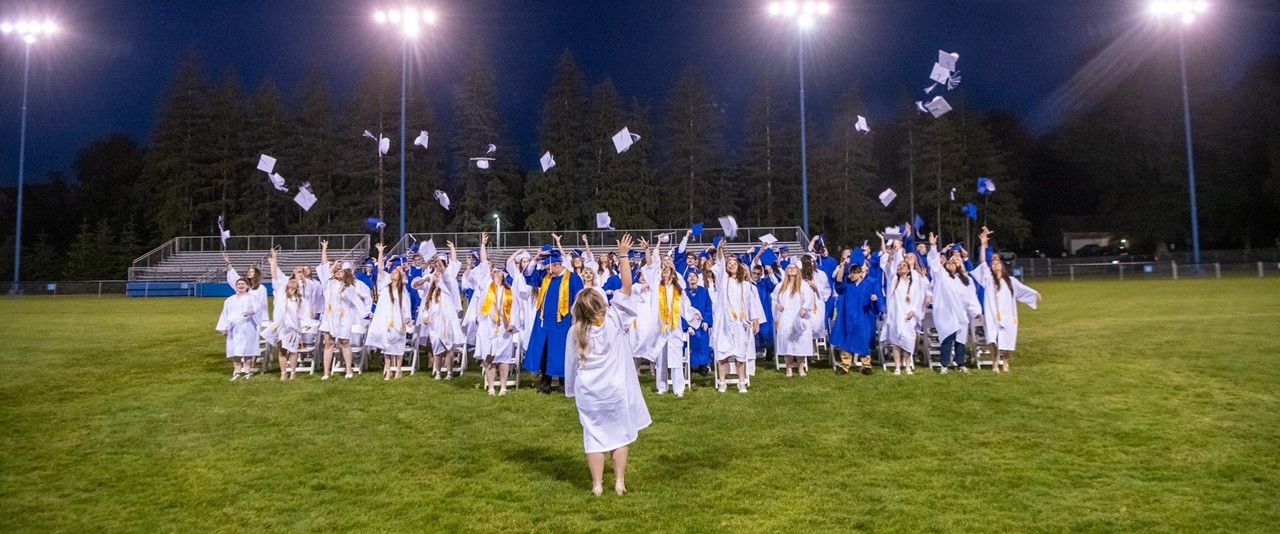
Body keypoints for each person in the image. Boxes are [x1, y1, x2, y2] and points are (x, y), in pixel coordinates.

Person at [564, 234, 651, 497]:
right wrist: (623, 255)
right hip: (614, 389)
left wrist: (571, 391)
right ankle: (619, 482)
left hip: (589, 392)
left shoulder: (575, 332)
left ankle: (597, 485)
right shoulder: (613, 320)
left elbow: (571, 367)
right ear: (602, 305)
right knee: (620, 436)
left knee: (594, 437)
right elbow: (626, 287)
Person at [972, 226, 1042, 373]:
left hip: (1008, 315)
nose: (995, 264)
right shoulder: (988, 279)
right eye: (994, 263)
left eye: (998, 263)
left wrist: (1035, 293)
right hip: (993, 314)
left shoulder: (1010, 281)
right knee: (992, 338)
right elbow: (983, 261)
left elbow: (1023, 289)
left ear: (1002, 266)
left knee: (1007, 339)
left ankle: (1005, 362)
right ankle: (995, 363)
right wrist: (983, 244)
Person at [523, 234, 584, 394]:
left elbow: (579, 300)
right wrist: (536, 259)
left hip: (564, 323)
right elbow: (529, 277)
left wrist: (576, 321)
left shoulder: (573, 278)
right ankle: (545, 385)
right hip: (544, 323)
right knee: (544, 353)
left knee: (564, 354)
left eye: (548, 266)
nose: (546, 269)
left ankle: (566, 384)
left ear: (557, 264)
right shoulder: (546, 277)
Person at [710, 241, 765, 393]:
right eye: (729, 263)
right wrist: (720, 248)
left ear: (739, 266)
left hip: (740, 322)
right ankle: (722, 382)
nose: (731, 265)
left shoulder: (746, 285)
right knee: (723, 353)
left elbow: (751, 304)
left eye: (734, 263)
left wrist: (755, 320)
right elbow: (719, 262)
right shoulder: (722, 280)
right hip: (724, 323)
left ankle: (742, 382)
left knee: (740, 354)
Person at [473, 233, 524, 396]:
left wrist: (512, 324)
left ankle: (502, 386)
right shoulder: (486, 285)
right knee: (488, 358)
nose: (496, 274)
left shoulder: (509, 292)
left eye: (499, 273)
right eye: (493, 272)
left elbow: (516, 310)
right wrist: (483, 244)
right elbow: (483, 263)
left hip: (504, 329)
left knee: (503, 358)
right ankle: (490, 387)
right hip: (488, 327)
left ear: (503, 276)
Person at [926, 233, 983, 374]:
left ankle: (960, 363)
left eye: (954, 263)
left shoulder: (964, 280)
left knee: (960, 341)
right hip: (946, 314)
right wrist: (933, 246)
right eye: (949, 263)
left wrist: (976, 312)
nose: (951, 264)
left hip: (961, 314)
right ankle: (944, 364)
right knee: (947, 339)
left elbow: (970, 298)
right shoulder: (941, 276)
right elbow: (933, 263)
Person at [417, 241, 465, 380]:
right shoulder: (432, 287)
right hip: (435, 320)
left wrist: (440, 257)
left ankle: (449, 372)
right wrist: (426, 315)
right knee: (437, 345)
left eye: (440, 266)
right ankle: (437, 371)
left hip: (447, 318)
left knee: (448, 345)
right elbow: (427, 303)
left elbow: (446, 273)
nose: (437, 271)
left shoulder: (448, 282)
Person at [830, 246, 880, 375]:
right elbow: (839, 283)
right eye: (850, 272)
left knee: (863, 339)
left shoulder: (869, 284)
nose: (851, 274)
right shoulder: (848, 284)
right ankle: (845, 365)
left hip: (862, 316)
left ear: (860, 272)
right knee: (846, 338)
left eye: (854, 272)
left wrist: (874, 300)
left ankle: (866, 365)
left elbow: (875, 305)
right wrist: (842, 266)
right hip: (848, 315)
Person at [265, 250, 312, 380]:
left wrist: (306, 324)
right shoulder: (281, 296)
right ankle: (283, 373)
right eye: (290, 281)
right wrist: (274, 260)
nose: (292, 282)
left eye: (294, 281)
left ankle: (292, 372)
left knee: (293, 350)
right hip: (281, 327)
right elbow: (274, 276)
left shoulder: (300, 299)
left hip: (293, 328)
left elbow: (304, 314)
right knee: (282, 350)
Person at [368, 243, 413, 380]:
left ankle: (398, 370)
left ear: (399, 277)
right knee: (387, 345)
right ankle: (388, 370)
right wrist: (380, 253)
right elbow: (380, 268)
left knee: (398, 344)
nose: (393, 273)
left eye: (396, 272)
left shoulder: (402, 291)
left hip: (398, 319)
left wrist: (406, 318)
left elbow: (405, 306)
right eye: (393, 271)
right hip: (386, 319)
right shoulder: (384, 285)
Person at [880, 243, 926, 375]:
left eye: (903, 265)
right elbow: (887, 265)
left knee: (908, 341)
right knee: (896, 342)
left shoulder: (914, 281)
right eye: (899, 265)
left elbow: (918, 298)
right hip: (896, 316)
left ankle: (907, 366)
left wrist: (914, 311)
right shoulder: (893, 279)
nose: (901, 266)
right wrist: (892, 252)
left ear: (908, 269)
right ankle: (897, 367)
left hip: (908, 315)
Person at [773, 262, 818, 377]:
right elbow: (773, 298)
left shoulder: (803, 285)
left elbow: (808, 298)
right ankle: (789, 368)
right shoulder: (781, 285)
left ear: (798, 270)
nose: (792, 270)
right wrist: (777, 304)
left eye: (794, 268)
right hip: (786, 317)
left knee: (800, 343)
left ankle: (801, 368)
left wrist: (804, 308)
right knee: (787, 343)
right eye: (789, 268)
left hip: (799, 317)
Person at [216, 277, 263, 381]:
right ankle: (237, 371)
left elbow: (257, 308)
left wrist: (251, 311)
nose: (241, 286)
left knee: (248, 350)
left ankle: (247, 371)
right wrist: (224, 328)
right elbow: (225, 313)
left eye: (243, 284)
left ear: (247, 286)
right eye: (239, 284)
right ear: (236, 286)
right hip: (234, 328)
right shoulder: (229, 300)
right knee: (235, 350)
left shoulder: (252, 297)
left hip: (248, 326)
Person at [684, 268, 714, 375]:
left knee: (702, 343)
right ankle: (691, 366)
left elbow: (708, 307)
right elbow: (681, 310)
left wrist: (706, 321)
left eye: (694, 276)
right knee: (691, 344)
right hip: (689, 324)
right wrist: (686, 326)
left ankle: (703, 366)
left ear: (697, 279)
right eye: (690, 276)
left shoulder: (704, 291)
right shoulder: (683, 293)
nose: (692, 277)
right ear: (687, 279)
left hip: (701, 324)